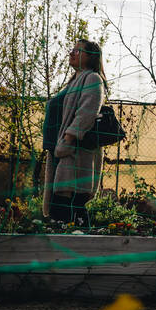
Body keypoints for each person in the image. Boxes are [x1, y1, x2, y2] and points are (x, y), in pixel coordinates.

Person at [42, 39, 106, 226]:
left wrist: (68, 139)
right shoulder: (74, 82)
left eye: (78, 51)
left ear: (90, 57)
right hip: (62, 150)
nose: (72, 53)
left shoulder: (92, 79)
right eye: (72, 50)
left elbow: (87, 112)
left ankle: (78, 242)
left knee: (69, 197)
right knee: (62, 198)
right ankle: (68, 239)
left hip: (74, 151)